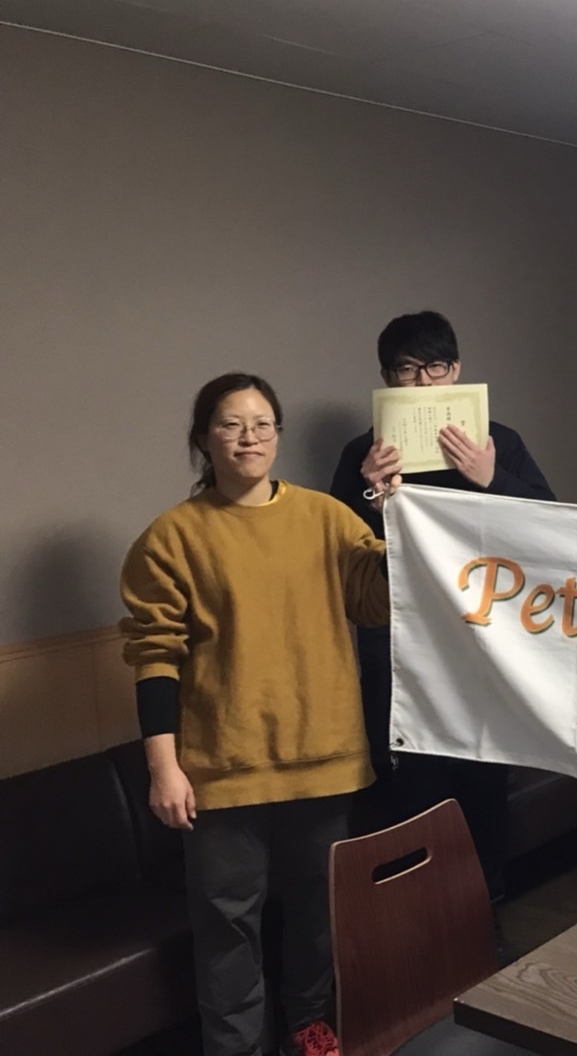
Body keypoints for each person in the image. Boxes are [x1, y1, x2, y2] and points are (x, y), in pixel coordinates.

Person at [121, 373, 389, 1056]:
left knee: (318, 918)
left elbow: (381, 601)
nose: (249, 437)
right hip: (221, 771)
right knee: (226, 930)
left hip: (324, 763)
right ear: (203, 438)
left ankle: (311, 1030)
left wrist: (401, 512)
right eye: (231, 424)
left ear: (278, 435)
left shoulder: (327, 518)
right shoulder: (171, 537)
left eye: (263, 423)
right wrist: (163, 769)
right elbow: (155, 658)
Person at [329, 310, 554, 910]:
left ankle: (487, 915)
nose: (422, 382)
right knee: (408, 790)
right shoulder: (363, 453)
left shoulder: (498, 441)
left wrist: (490, 477)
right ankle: (420, 929)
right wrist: (370, 491)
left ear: (456, 370)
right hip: (398, 648)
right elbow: (338, 554)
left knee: (484, 783)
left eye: (435, 367)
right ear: (387, 378)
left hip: (484, 640)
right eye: (407, 370)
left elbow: (548, 527)